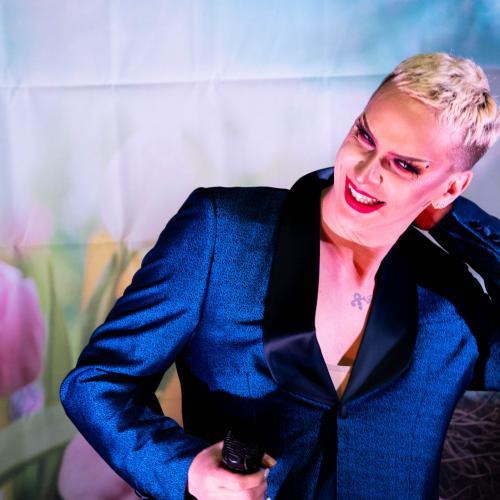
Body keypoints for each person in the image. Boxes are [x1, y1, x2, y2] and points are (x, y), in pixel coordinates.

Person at [60, 52, 500, 500]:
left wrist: (455, 222)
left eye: (404, 165)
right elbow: (97, 382)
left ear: (451, 186)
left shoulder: (452, 301)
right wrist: (186, 470)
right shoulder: (221, 235)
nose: (365, 172)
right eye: (364, 136)